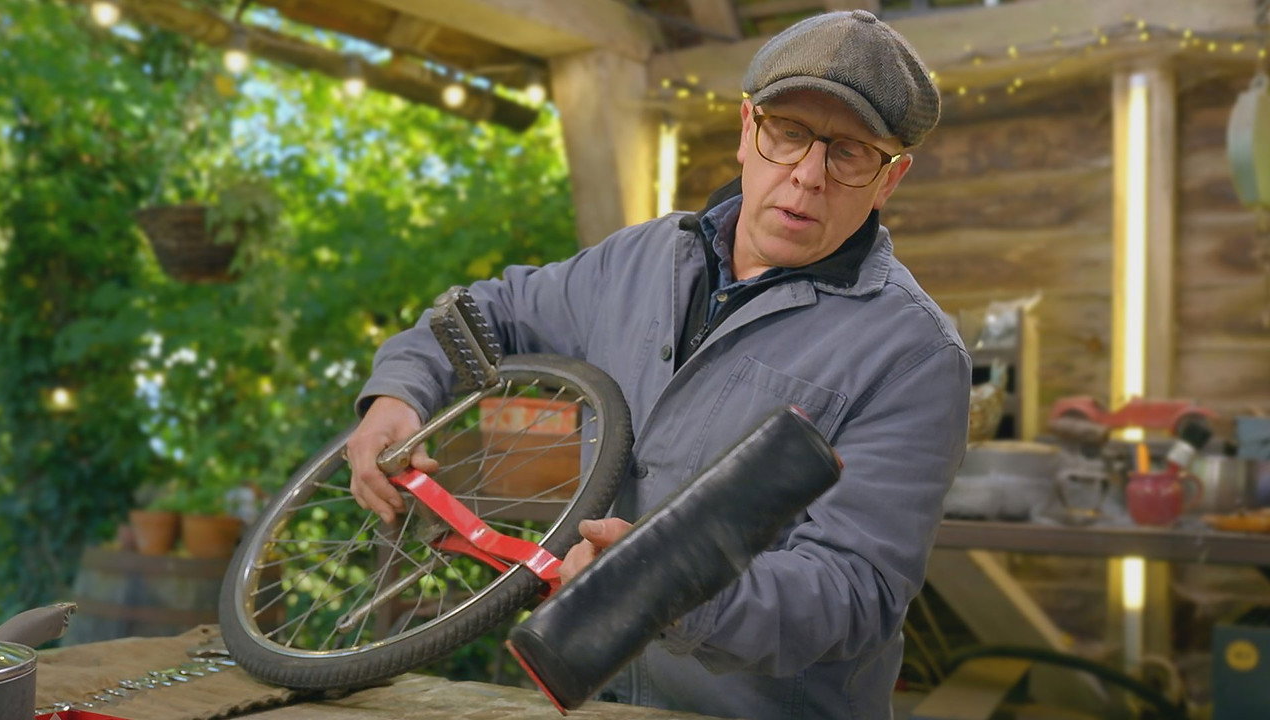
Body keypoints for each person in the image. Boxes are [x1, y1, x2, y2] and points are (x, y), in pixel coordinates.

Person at [347, 9, 969, 720]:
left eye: (849, 153)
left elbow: (853, 592)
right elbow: (489, 313)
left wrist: (668, 589)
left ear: (890, 179)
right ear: (747, 129)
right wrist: (399, 393)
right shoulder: (638, 259)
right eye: (789, 132)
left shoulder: (913, 354)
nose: (806, 176)